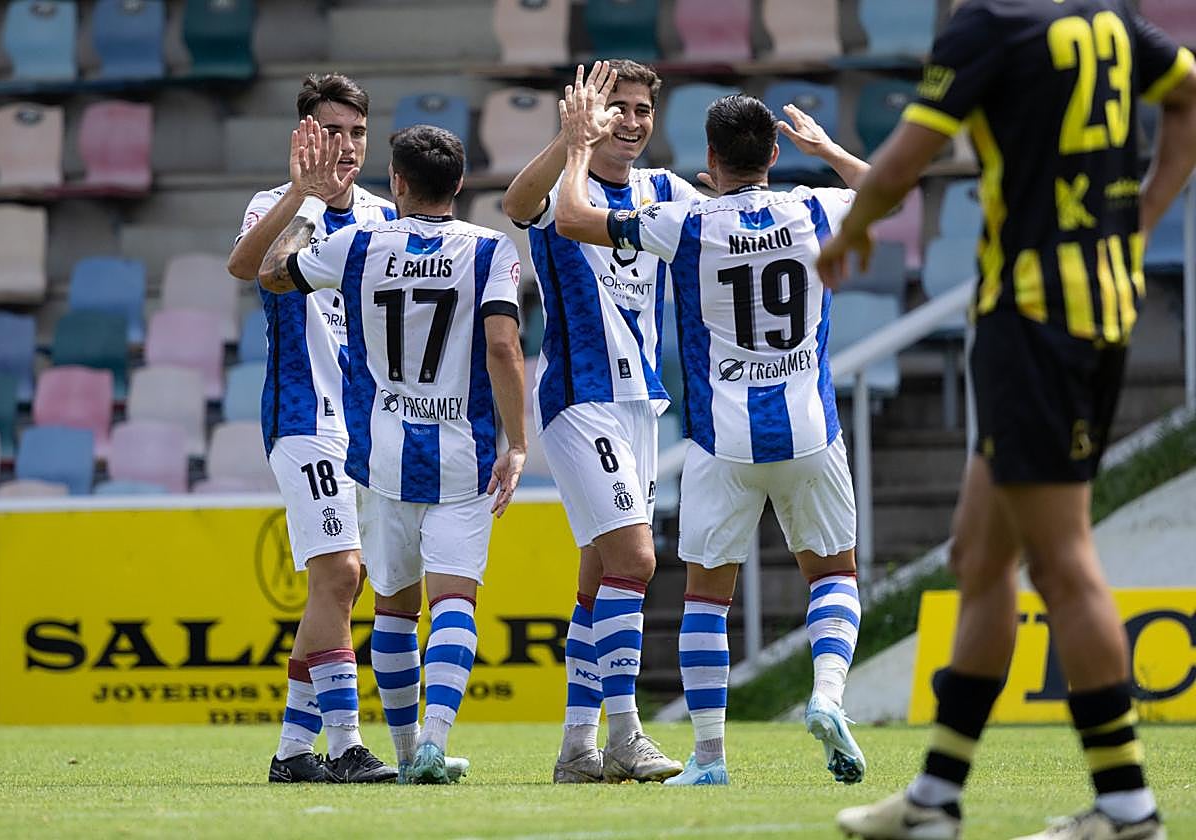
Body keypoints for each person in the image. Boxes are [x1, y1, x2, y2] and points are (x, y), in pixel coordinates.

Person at [816, 2, 1196, 837]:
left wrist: (850, 233)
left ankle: (1128, 807)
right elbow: (1188, 91)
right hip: (1091, 310)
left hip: (1034, 323)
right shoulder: (1108, 18)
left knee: (1063, 565)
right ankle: (935, 800)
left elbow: (900, 167)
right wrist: (1141, 220)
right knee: (979, 557)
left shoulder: (990, 25)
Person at [555, 80, 871, 786]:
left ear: (710, 159)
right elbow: (893, 191)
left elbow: (573, 218)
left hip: (721, 442)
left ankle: (708, 759)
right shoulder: (813, 206)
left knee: (705, 597)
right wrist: (827, 151)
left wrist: (577, 149)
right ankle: (825, 694)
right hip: (810, 432)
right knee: (834, 574)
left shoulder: (684, 220)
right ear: (774, 152)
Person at [258, 121, 528, 785]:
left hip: (380, 457)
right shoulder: (493, 250)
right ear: (461, 184)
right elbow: (502, 348)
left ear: (398, 183)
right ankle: (433, 745)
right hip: (464, 455)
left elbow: (268, 275)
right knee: (456, 600)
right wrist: (518, 441)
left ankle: (405, 755)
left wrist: (305, 201)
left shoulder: (354, 246)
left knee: (396, 609)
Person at [502, 60, 700, 784]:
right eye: (618, 107)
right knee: (639, 562)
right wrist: (569, 140)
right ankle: (627, 733)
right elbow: (516, 205)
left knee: (597, 580)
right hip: (581, 400)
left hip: (640, 403)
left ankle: (576, 750)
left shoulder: (664, 190)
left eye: (643, 109)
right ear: (590, 112)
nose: (633, 120)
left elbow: (719, 214)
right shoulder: (563, 184)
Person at [227, 73, 400, 784]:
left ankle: (292, 753)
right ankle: (347, 744)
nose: (348, 145)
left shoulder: (383, 217)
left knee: (339, 589)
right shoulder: (273, 205)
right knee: (340, 572)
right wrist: (303, 193)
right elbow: (247, 268)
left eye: (358, 132)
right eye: (333, 131)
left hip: (368, 424)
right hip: (302, 417)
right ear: (304, 134)